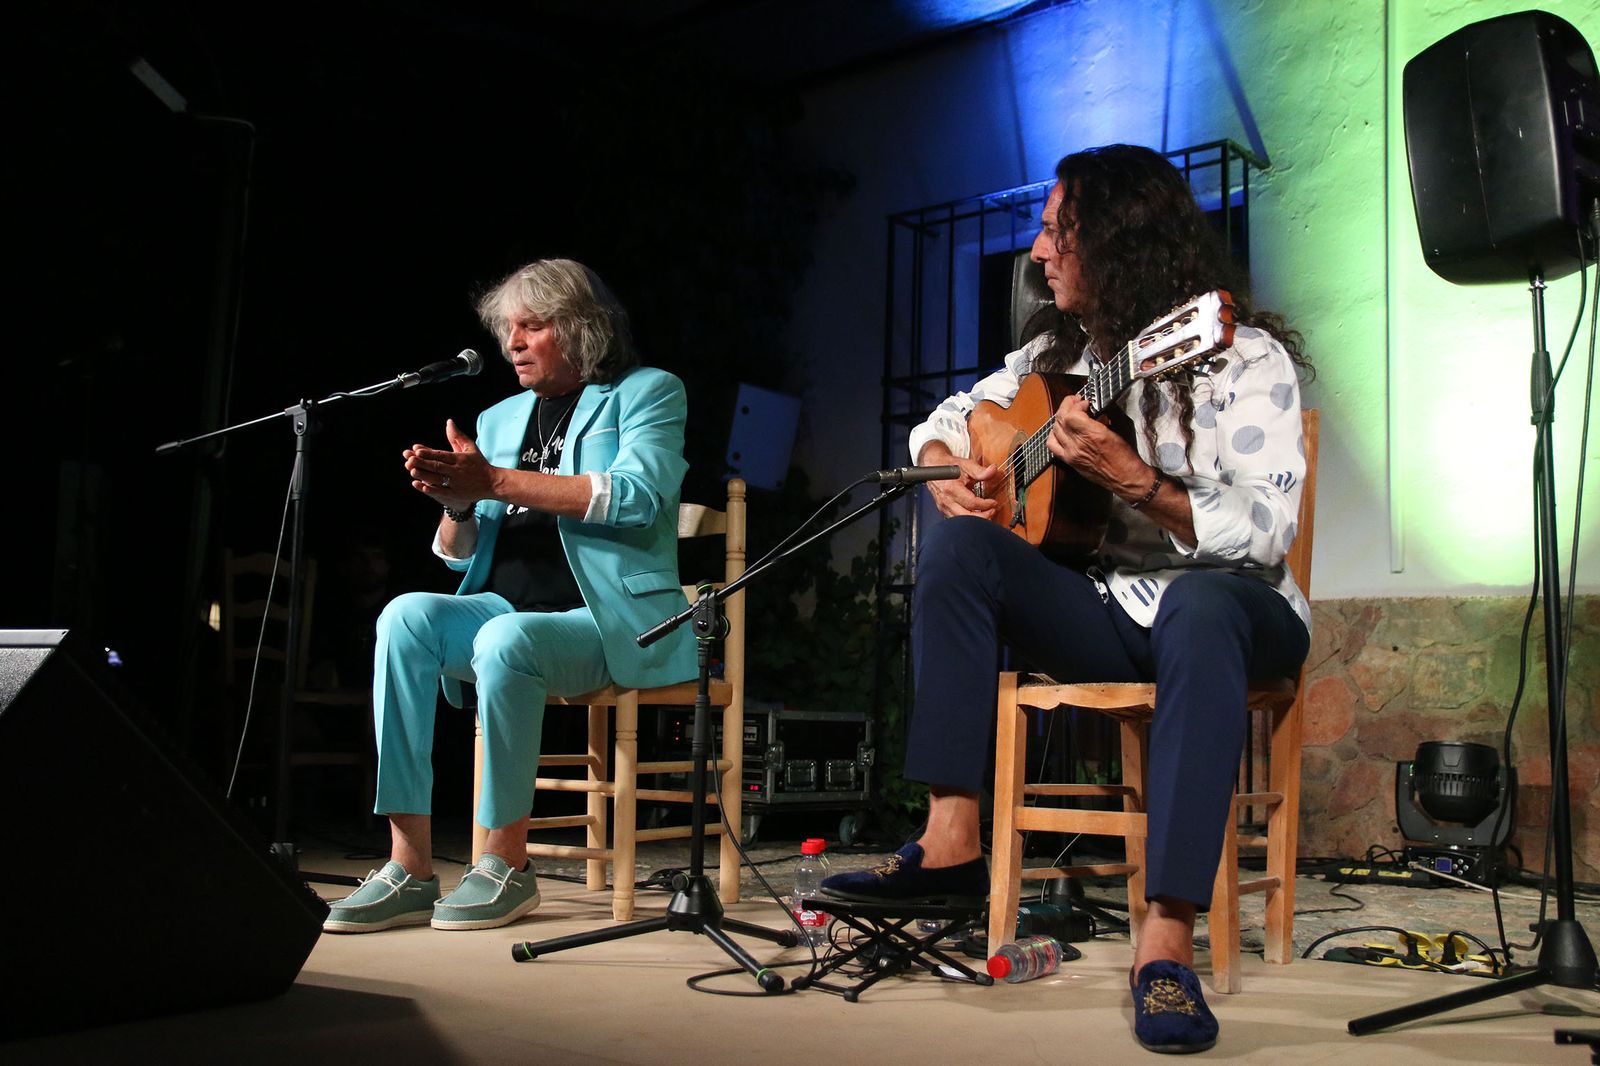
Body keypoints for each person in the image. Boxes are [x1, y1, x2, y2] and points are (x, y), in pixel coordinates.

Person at [819, 145, 1313, 1053]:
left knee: (1198, 608)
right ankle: (953, 840)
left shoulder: (1239, 356)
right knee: (964, 542)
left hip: (1236, 613)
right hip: (1113, 611)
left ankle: (1164, 943)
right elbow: (941, 420)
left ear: (1117, 241)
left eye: (1056, 231)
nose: (1038, 252)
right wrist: (948, 470)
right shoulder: (1057, 356)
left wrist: (1138, 482)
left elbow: (1268, 529)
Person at [324, 259, 696, 934]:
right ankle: (408, 865)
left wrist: (494, 481)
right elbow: (456, 553)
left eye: (532, 325)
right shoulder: (499, 417)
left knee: (505, 638)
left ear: (579, 329)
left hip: (607, 620)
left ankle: (504, 865)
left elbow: (639, 498)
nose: (513, 342)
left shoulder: (648, 393)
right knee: (405, 616)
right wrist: (460, 504)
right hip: (505, 609)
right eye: (507, 328)